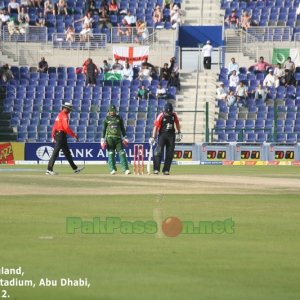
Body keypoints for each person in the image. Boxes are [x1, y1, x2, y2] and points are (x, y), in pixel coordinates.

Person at [46, 102, 85, 175]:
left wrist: (53, 136)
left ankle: (75, 169)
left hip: (60, 135)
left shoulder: (59, 114)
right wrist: (73, 135)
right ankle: (49, 170)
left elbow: (54, 126)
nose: (70, 111)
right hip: (61, 135)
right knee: (55, 152)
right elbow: (66, 127)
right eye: (70, 109)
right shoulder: (64, 115)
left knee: (67, 153)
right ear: (66, 108)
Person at [149, 102, 181, 175]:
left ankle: (166, 170)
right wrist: (153, 137)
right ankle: (156, 169)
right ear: (164, 110)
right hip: (162, 135)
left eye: (169, 113)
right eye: (167, 113)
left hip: (171, 135)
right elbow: (155, 127)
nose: (168, 114)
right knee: (158, 152)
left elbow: (177, 123)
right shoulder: (160, 115)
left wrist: (179, 132)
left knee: (170, 154)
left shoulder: (174, 115)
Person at [101, 105, 131, 175]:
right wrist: (102, 139)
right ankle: (112, 169)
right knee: (111, 153)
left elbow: (122, 128)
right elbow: (104, 130)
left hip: (118, 138)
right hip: (109, 138)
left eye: (113, 111)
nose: (112, 112)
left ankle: (125, 169)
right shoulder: (106, 119)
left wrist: (125, 137)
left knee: (122, 153)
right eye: (111, 111)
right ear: (109, 111)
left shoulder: (119, 118)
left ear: (115, 111)